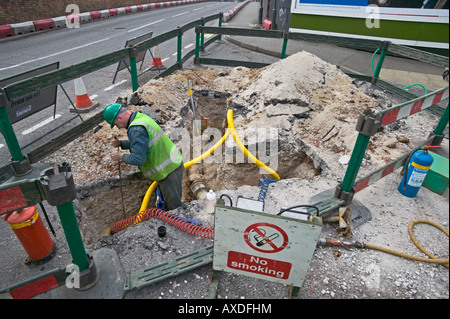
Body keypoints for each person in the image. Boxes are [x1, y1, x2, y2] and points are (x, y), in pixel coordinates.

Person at [103, 103, 184, 211]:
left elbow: (138, 159)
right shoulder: (140, 117)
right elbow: (143, 143)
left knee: (175, 208)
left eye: (115, 123)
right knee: (169, 203)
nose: (117, 127)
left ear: (119, 117)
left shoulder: (136, 129)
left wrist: (121, 156)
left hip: (169, 172)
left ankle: (187, 225)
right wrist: (121, 144)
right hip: (171, 165)